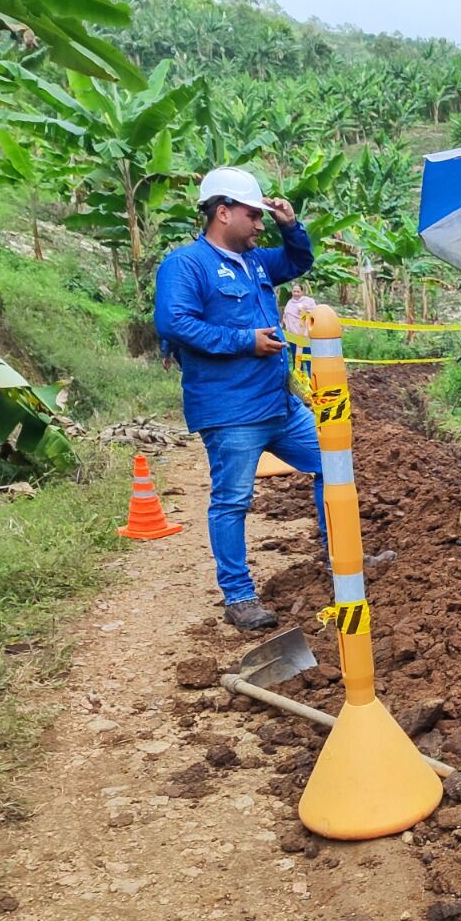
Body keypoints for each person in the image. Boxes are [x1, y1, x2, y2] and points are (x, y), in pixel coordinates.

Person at [154, 167, 324, 631]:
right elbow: (175, 324)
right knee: (232, 500)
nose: (259, 225)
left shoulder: (256, 262)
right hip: (231, 411)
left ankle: (340, 554)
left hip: (280, 405)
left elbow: (298, 262)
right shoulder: (186, 265)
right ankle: (239, 595)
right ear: (223, 213)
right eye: (253, 215)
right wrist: (245, 341)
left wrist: (291, 226)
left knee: (333, 465)